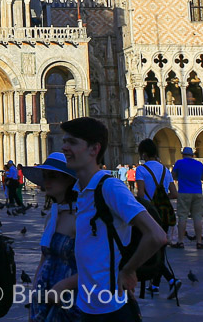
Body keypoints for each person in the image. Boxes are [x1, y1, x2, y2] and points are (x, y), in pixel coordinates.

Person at [61, 117, 167, 320]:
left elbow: (156, 235)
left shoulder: (110, 187)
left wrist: (128, 270)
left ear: (94, 149)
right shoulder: (80, 190)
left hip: (111, 309)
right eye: (64, 141)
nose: (64, 147)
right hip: (87, 305)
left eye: (72, 142)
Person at [23, 154, 80, 322]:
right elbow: (44, 260)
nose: (47, 181)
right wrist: (34, 294)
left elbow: (96, 267)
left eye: (53, 176)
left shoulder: (81, 218)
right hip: (45, 297)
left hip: (71, 300)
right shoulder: (52, 216)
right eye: (45, 176)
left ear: (69, 180)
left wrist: (63, 286)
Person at [134, 137, 180, 298]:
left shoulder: (141, 169)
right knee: (160, 248)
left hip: (149, 214)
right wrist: (161, 196)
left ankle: (172, 280)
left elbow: (140, 194)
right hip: (163, 213)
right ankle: (155, 286)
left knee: (151, 251)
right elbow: (174, 194)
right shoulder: (165, 170)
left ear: (144, 154)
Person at [172, 146, 203, 250]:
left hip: (184, 192)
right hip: (198, 192)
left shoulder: (179, 163)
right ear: (193, 155)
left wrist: (181, 177)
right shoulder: (199, 164)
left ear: (183, 154)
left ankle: (180, 242)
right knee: (197, 217)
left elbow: (174, 175)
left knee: (182, 217)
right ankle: (199, 241)